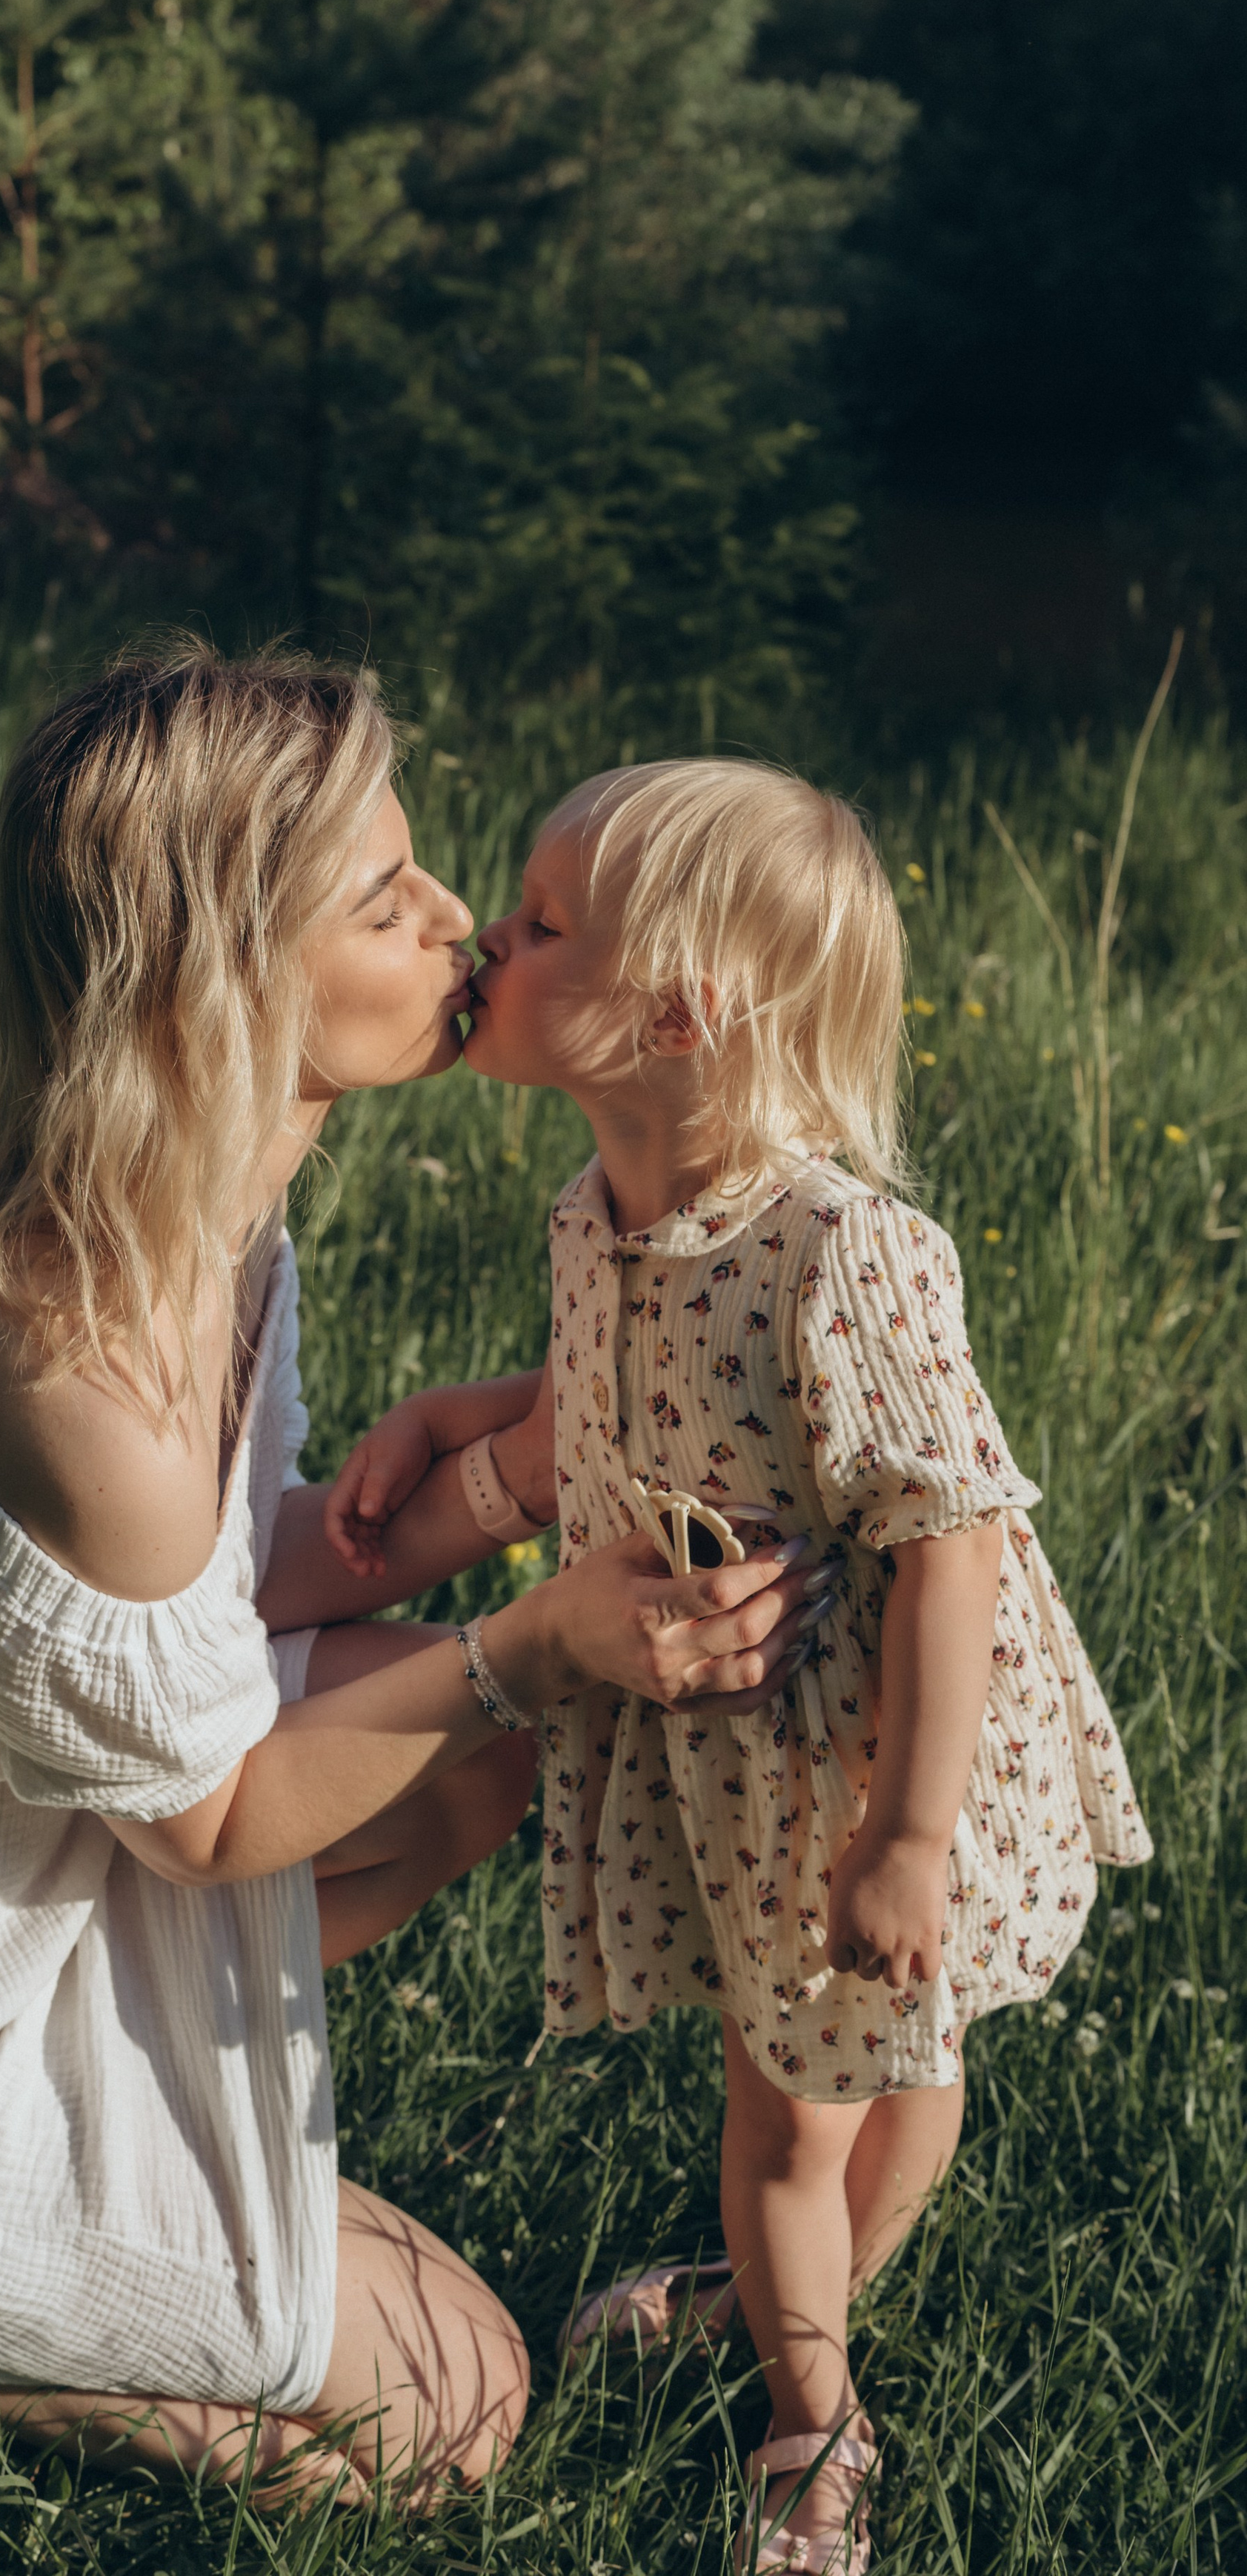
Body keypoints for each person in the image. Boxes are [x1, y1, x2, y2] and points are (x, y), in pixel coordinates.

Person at [0, 658, 820, 2520]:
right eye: (382, 905)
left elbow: (204, 1603)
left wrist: (502, 1483)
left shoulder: (176, 1207)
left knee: (464, 1764)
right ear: (213, 988)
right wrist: (528, 1639)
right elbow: (211, 1816)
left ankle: (8, 2202)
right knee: (447, 2419)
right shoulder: (70, 1358)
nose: (453, 919)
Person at [323, 757, 1151, 2572]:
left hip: (863, 1757)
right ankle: (780, 2317)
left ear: (676, 1008)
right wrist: (449, 1423)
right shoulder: (591, 1214)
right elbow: (590, 1419)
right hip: (740, 1753)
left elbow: (945, 1538)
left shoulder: (839, 1251)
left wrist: (909, 1834)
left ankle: (806, 2427)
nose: (486, 934)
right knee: (851, 2082)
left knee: (822, 2110)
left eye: (539, 926)